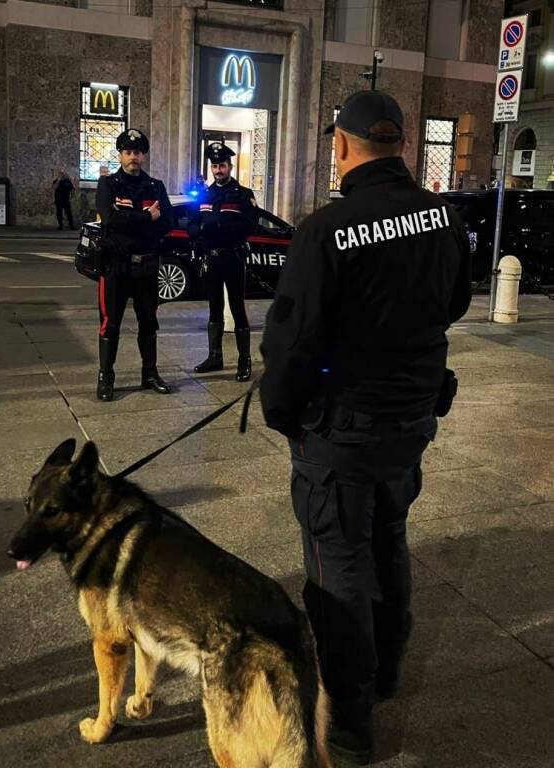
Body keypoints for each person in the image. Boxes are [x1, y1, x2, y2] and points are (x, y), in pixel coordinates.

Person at [260, 90, 471, 765]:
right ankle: (385, 674)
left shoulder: (326, 229)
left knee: (337, 565)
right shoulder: (443, 217)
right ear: (401, 145)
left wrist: (281, 412)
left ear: (342, 146)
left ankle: (348, 726)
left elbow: (290, 344)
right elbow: (456, 302)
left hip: (341, 434)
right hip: (410, 420)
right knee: (388, 539)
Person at [95, 128, 173, 401]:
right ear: (120, 155)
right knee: (111, 323)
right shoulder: (108, 185)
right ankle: (106, 377)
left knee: (149, 322)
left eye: (137, 153)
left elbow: (167, 222)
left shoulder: (155, 187)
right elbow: (109, 219)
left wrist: (130, 220)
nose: (133, 158)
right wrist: (145, 218)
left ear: (143, 155)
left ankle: (149, 373)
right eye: (128, 152)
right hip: (116, 266)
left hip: (147, 268)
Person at [189, 142, 258, 382]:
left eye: (222, 166)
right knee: (214, 308)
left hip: (233, 257)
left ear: (230, 166)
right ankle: (215, 357)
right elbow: (192, 223)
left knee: (238, 308)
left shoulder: (242, 195)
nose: (218, 170)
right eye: (215, 166)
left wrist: (221, 225)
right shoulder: (205, 194)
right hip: (212, 258)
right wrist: (197, 231)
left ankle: (244, 361)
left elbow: (251, 224)